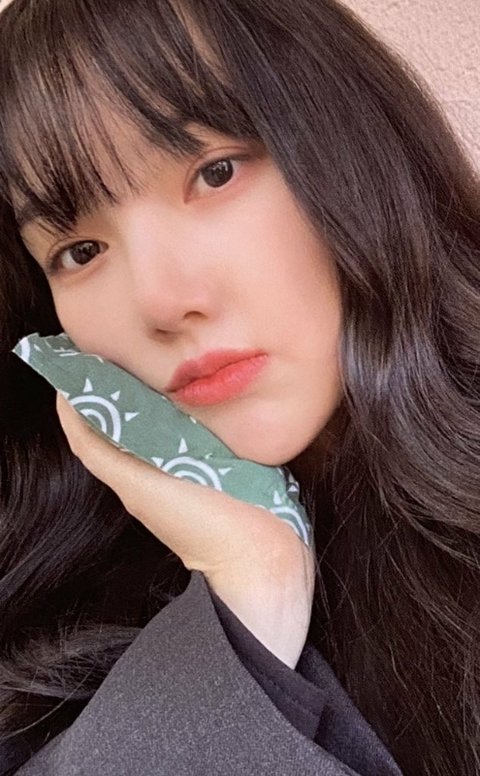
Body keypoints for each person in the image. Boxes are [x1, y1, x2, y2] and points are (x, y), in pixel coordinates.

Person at [0, 0, 479, 773]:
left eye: (214, 172)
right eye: (79, 251)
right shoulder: (47, 616)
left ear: (355, 148)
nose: (160, 300)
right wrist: (247, 600)